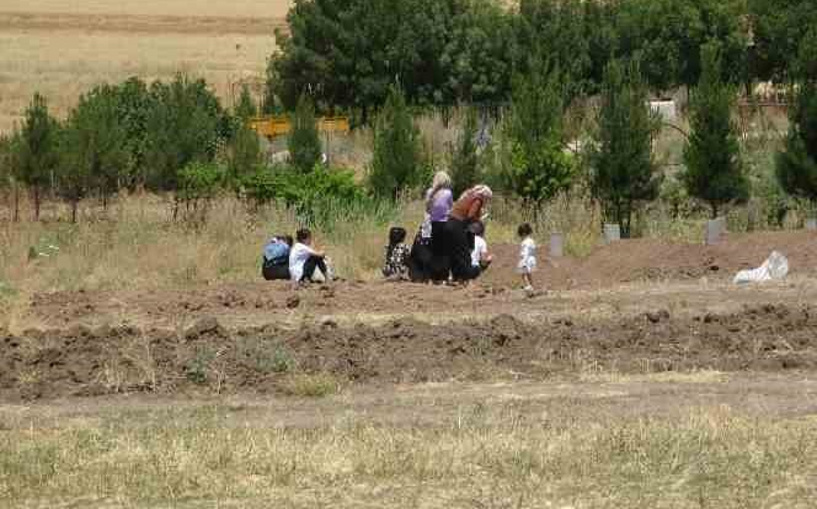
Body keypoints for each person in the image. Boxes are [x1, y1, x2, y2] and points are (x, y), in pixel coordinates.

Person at [410, 171, 453, 282]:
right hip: (444, 224)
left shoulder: (429, 192)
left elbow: (428, 209)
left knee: (432, 250)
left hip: (430, 224)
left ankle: (429, 275)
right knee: (444, 251)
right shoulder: (448, 193)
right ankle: (443, 275)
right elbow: (450, 209)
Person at [445, 185, 492, 282]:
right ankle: (464, 277)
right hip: (457, 224)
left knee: (455, 252)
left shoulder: (468, 195)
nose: (486, 202)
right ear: (485, 196)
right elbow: (470, 216)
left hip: (449, 221)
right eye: (487, 199)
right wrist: (479, 220)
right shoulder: (478, 199)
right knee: (463, 254)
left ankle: (455, 276)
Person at [517, 223, 537, 291]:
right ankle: (531, 285)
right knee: (529, 274)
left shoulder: (525, 242)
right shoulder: (531, 241)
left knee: (523, 274)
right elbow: (534, 249)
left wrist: (523, 262)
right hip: (532, 259)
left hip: (526, 260)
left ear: (523, 234)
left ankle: (528, 285)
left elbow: (525, 252)